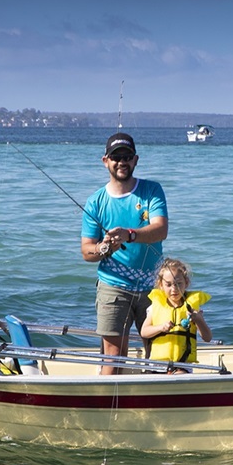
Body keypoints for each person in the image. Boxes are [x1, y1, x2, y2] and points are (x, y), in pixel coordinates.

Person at [80, 132, 169, 374]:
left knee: (161, 351)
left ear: (136, 160)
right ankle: (106, 403)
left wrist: (129, 234)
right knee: (114, 357)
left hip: (153, 285)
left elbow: (161, 230)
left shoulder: (152, 190)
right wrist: (104, 248)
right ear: (105, 161)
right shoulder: (95, 202)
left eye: (127, 157)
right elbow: (87, 252)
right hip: (113, 285)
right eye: (116, 157)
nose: (122, 162)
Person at [140, 257, 212, 371]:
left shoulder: (192, 308)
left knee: (179, 375)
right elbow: (144, 332)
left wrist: (199, 320)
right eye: (168, 285)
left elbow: (207, 338)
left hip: (183, 366)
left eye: (178, 284)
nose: (174, 289)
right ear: (160, 285)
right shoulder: (155, 307)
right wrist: (161, 327)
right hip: (158, 366)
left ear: (186, 283)